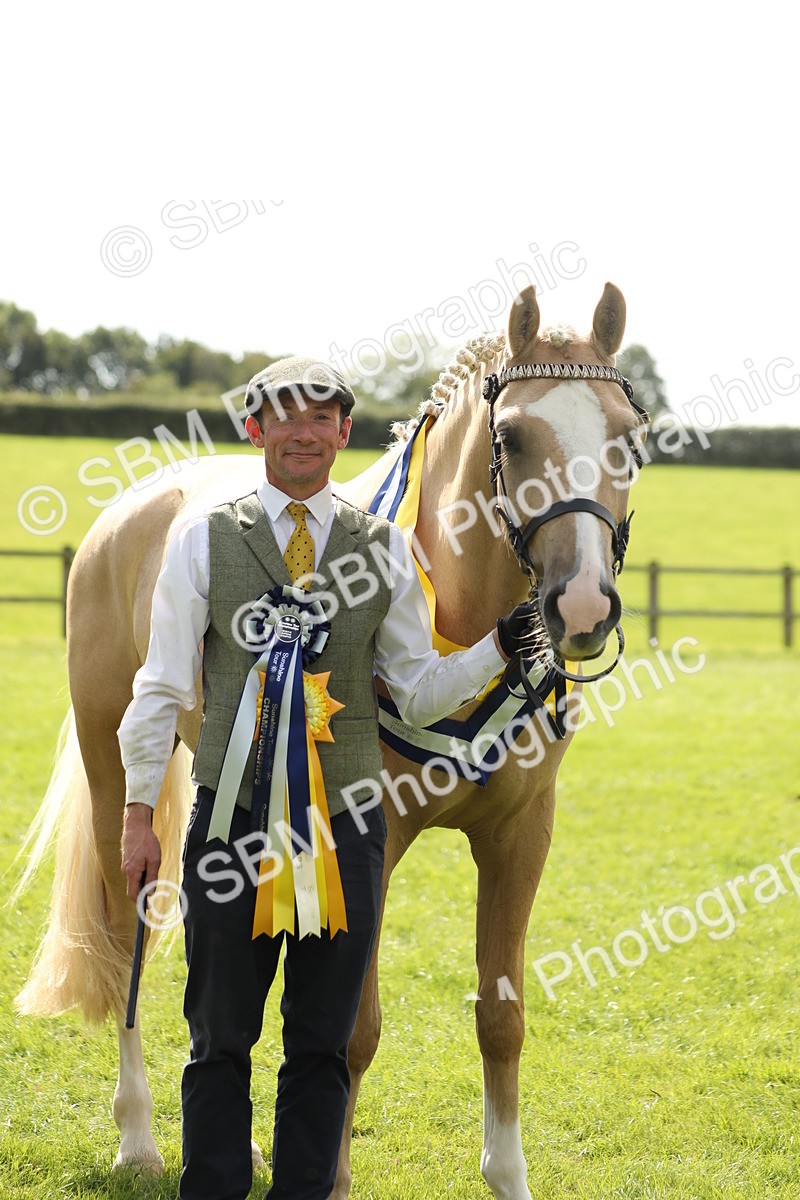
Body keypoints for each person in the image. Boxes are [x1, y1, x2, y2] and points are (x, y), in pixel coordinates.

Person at [119, 357, 532, 1200]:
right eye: (283, 416)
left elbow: (416, 687)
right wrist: (136, 815)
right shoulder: (206, 538)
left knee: (320, 1041)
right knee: (219, 1038)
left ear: (344, 432)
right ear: (254, 430)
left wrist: (497, 647)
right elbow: (160, 687)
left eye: (321, 417)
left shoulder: (382, 550)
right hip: (231, 825)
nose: (301, 432)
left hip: (344, 830)